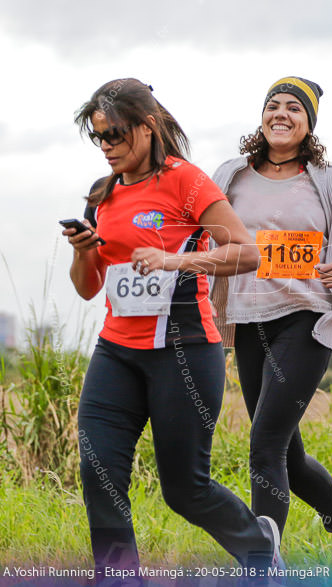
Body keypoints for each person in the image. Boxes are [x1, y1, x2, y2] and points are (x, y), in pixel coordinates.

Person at [65, 78, 283, 583]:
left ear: (147, 127)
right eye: (98, 137)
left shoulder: (186, 181)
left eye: (115, 134)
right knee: (99, 473)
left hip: (184, 350)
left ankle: (259, 547)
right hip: (116, 350)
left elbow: (246, 252)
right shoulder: (103, 196)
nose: (107, 147)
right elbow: (87, 286)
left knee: (185, 489)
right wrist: (83, 253)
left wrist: (171, 260)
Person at [210, 76, 332, 582]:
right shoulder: (229, 175)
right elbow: (201, 231)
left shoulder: (331, 181)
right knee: (288, 451)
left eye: (294, 109)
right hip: (247, 320)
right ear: (261, 117)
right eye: (273, 106)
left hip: (307, 319)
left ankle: (265, 563)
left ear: (309, 125)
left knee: (264, 441)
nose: (281, 114)